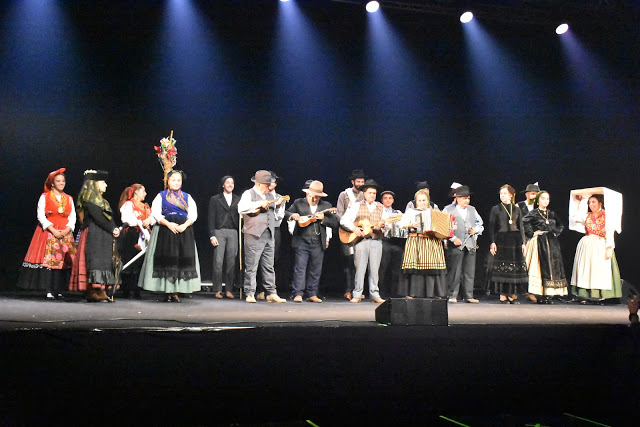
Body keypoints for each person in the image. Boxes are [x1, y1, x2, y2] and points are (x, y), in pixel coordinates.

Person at [138, 170, 201, 302]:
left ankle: (176, 291)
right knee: (168, 260)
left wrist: (184, 226)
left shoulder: (187, 197)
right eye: (173, 180)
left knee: (180, 261)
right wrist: (168, 224)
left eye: (178, 180)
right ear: (168, 181)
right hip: (166, 231)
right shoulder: (161, 196)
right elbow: (156, 212)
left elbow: (193, 214)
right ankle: (167, 291)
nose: (176, 183)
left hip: (183, 232)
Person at [17, 168, 77, 299]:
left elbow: (73, 216)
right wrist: (53, 230)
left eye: (63, 181)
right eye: (58, 181)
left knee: (63, 262)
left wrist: (67, 230)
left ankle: (59, 289)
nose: (61, 183)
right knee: (49, 261)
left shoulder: (69, 198)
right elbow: (41, 215)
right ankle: (49, 289)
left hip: (64, 232)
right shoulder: (44, 197)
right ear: (53, 183)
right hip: (49, 231)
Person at [69, 169, 120, 302]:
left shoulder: (102, 201)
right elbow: (98, 217)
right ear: (95, 184)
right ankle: (93, 290)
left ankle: (101, 289)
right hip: (94, 234)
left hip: (103, 235)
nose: (106, 185)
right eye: (103, 182)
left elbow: (108, 218)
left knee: (103, 261)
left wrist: (114, 228)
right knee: (95, 261)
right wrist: (112, 228)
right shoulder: (89, 201)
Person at [238, 170, 287, 303]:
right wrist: (259, 204)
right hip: (254, 234)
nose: (269, 187)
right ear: (259, 184)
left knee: (269, 265)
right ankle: (250, 293)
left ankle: (271, 292)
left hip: (269, 233)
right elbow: (241, 208)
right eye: (267, 185)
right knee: (252, 265)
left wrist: (277, 206)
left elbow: (276, 215)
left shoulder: (269, 195)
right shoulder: (249, 194)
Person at [285, 180, 338, 302]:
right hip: (302, 240)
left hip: (318, 241)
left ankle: (312, 293)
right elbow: (287, 212)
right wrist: (293, 216)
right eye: (311, 196)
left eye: (316, 197)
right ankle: (298, 293)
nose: (313, 199)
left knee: (316, 269)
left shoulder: (326, 206)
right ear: (307, 194)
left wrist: (324, 219)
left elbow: (335, 223)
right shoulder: (299, 203)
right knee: (300, 268)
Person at [340, 179, 389, 304]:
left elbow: (388, 225)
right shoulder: (357, 205)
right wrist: (354, 228)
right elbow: (344, 220)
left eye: (374, 193)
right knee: (360, 268)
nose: (372, 195)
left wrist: (384, 226)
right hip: (361, 241)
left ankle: (374, 294)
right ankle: (357, 294)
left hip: (376, 240)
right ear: (364, 193)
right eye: (370, 193)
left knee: (374, 269)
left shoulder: (381, 207)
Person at [569, 192, 622, 303]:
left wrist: (609, 248)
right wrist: (581, 201)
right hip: (587, 243)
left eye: (593, 202)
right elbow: (575, 218)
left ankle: (601, 295)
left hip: (600, 244)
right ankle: (584, 294)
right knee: (586, 269)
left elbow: (610, 232)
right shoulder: (587, 215)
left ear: (600, 203)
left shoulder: (606, 216)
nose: (591, 205)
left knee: (600, 269)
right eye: (589, 203)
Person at [399, 189, 449, 299]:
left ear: (428, 201)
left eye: (424, 200)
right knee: (416, 267)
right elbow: (401, 224)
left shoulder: (434, 212)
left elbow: (442, 226)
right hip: (416, 240)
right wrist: (411, 224)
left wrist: (449, 228)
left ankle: (433, 293)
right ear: (416, 201)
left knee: (432, 267)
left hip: (431, 241)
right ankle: (413, 292)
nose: (422, 203)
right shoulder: (411, 212)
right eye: (420, 200)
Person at [522, 191, 568, 303]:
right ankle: (538, 293)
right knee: (539, 267)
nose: (545, 201)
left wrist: (556, 232)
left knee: (552, 266)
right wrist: (532, 233)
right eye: (543, 198)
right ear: (537, 201)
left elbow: (560, 225)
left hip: (552, 243)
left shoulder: (551, 213)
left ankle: (549, 293)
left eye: (547, 199)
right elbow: (523, 222)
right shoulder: (533, 213)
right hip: (539, 242)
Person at [487, 184, 528, 304]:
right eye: (501, 193)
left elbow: (521, 227)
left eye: (505, 193)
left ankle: (512, 294)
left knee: (514, 269)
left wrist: (523, 243)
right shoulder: (496, 209)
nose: (503, 196)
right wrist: (492, 242)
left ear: (510, 194)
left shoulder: (516, 209)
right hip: (502, 239)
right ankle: (503, 294)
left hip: (515, 241)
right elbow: (492, 227)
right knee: (503, 268)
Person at [443, 186, 483, 303]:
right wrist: (453, 238)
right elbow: (443, 227)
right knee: (455, 271)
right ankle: (452, 295)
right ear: (457, 198)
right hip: (456, 244)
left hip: (470, 244)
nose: (467, 201)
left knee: (469, 271)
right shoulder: (448, 210)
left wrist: (476, 230)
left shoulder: (472, 209)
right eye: (464, 198)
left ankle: (469, 295)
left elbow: (480, 224)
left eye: (468, 198)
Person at [118, 184, 155, 299]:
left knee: (140, 262)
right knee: (130, 261)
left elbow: (153, 217)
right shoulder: (129, 204)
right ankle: (127, 289)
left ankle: (137, 290)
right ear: (136, 192)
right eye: (143, 191)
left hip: (144, 236)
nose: (145, 194)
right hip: (132, 235)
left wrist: (148, 220)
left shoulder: (145, 206)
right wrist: (139, 221)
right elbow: (126, 218)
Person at [336, 169, 366, 300]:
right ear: (353, 182)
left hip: (360, 233)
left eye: (362, 181)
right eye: (358, 181)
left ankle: (358, 290)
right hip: (347, 232)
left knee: (359, 263)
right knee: (348, 262)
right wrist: (349, 227)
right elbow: (339, 213)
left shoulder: (365, 195)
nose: (360, 183)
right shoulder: (345, 195)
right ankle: (348, 290)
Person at [208, 175, 240, 299]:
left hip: (233, 231)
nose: (230, 184)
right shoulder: (215, 199)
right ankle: (217, 289)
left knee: (231, 261)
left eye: (232, 182)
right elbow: (211, 218)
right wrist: (212, 235)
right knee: (218, 261)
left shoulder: (238, 199)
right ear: (223, 185)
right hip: (219, 231)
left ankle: (229, 289)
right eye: (227, 182)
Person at [378, 190, 405, 299]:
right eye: (385, 198)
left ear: (393, 200)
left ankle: (395, 292)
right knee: (383, 268)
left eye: (390, 198)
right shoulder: (378, 211)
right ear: (382, 200)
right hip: (385, 241)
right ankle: (381, 292)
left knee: (396, 269)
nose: (388, 200)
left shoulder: (398, 213)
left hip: (397, 242)